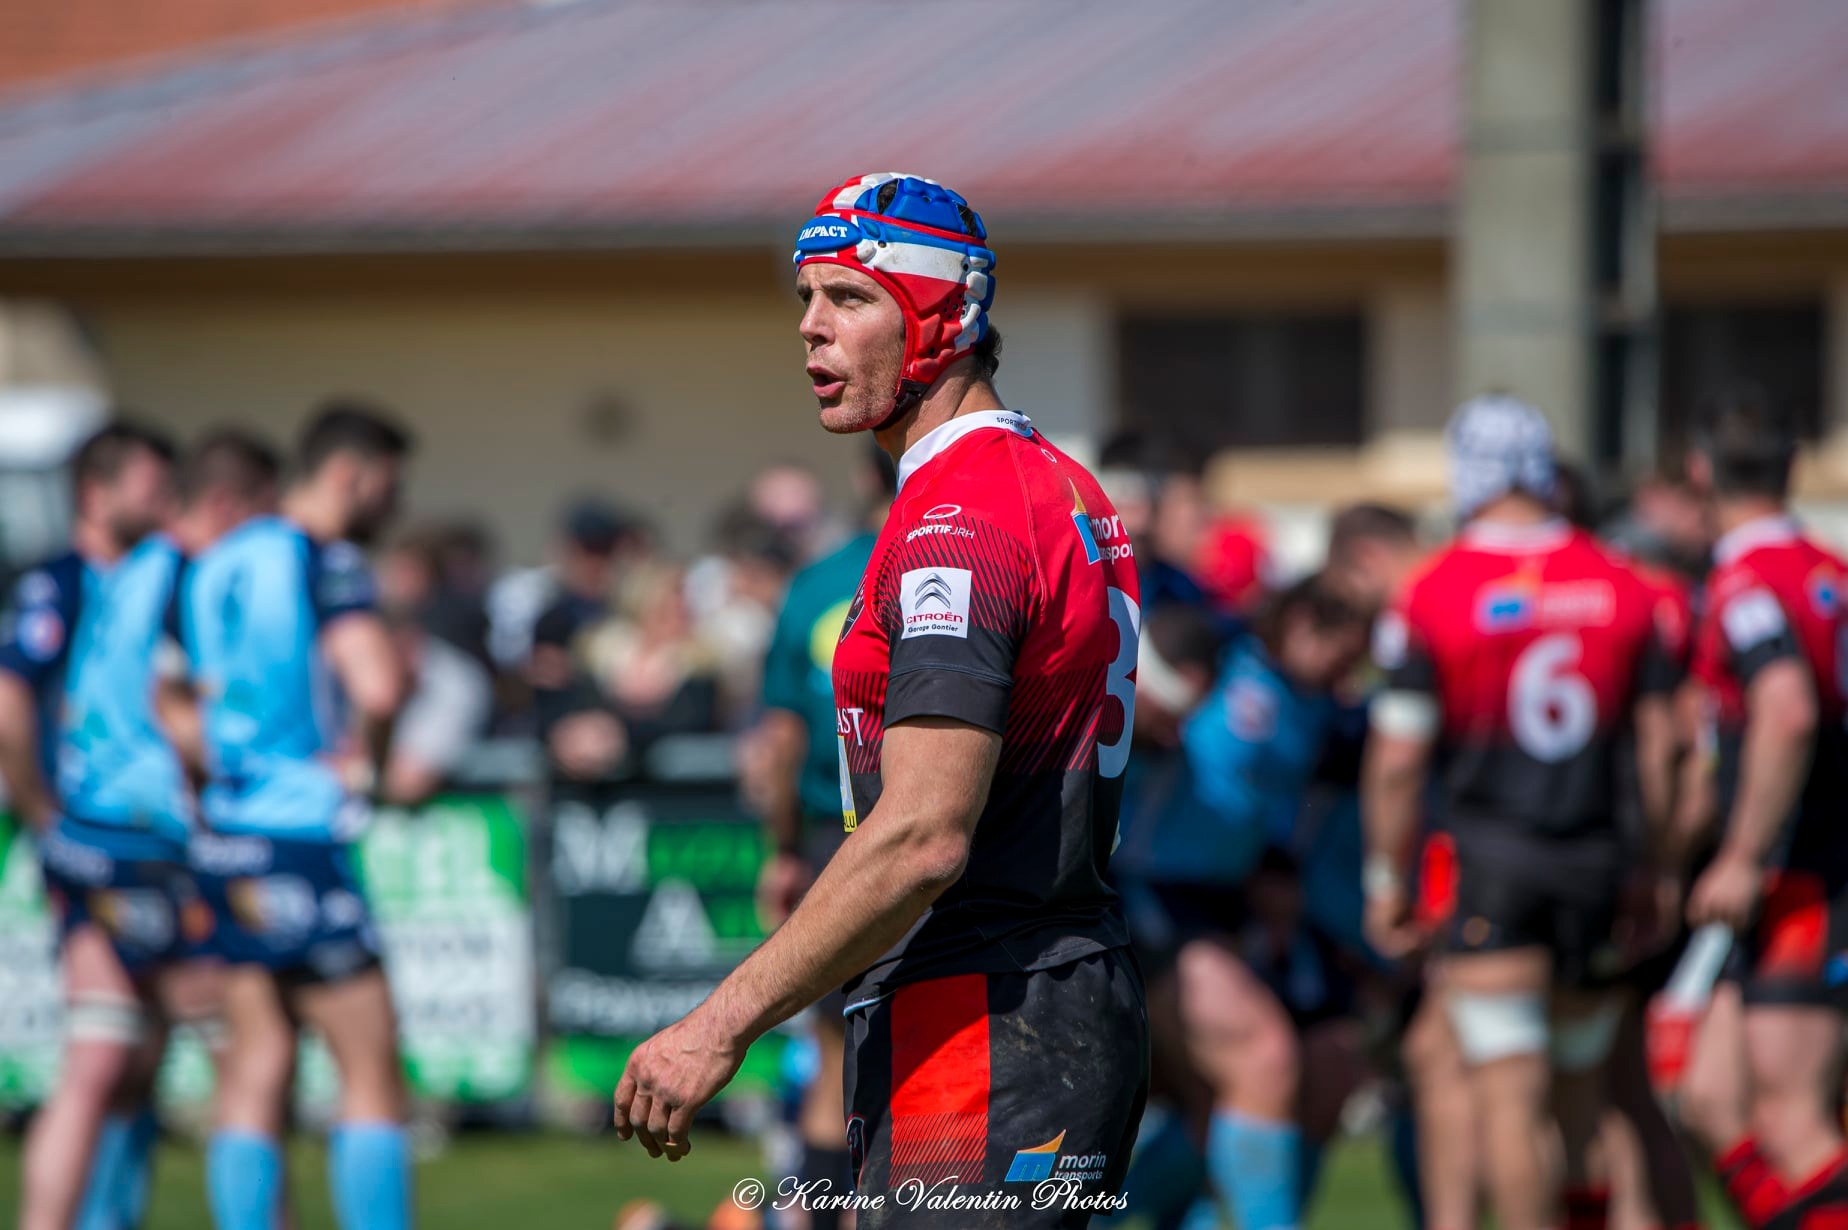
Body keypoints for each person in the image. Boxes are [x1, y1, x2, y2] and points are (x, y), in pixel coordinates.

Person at [613, 173, 1148, 1227]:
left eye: (851, 299)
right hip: (1018, 995)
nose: (812, 330)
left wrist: (716, 1027)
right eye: (805, 300)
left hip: (989, 1009)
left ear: (944, 317)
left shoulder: (965, 514)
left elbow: (921, 837)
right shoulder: (1047, 480)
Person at [1361, 395, 1684, 1230]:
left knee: (1510, 1099)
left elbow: (1398, 764)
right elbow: (1662, 752)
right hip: (1599, 866)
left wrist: (1386, 878)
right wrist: (1653, 867)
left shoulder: (1431, 590)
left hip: (1492, 867)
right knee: (1582, 1101)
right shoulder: (1629, 586)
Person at [167, 402, 414, 1230]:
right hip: (302, 835)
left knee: (254, 1065)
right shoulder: (325, 559)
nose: (393, 505)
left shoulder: (210, 562)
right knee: (369, 1068)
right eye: (389, 486)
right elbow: (376, 685)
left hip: (226, 836)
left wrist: (222, 763)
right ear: (354, 474)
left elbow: (165, 698)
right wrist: (366, 758)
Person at [1111, 576, 1371, 1230]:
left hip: (1243, 906)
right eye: (1345, 645)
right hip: (1156, 895)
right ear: (1305, 620)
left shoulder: (1322, 707)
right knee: (1261, 1056)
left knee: (1300, 1076)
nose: (1352, 664)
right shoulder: (1221, 661)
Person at [1674, 388, 1848, 1229]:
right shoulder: (1830, 573)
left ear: (1700, 473)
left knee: (1791, 1118)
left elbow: (1786, 708)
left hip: (1806, 877)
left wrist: (1741, 854)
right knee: (1710, 1099)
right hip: (1807, 874)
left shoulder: (1745, 579)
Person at [2, 421, 177, 1230]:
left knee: (143, 1058)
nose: (163, 501)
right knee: (102, 1051)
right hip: (94, 841)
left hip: (161, 844)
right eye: (149, 487)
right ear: (95, 493)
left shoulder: (163, 579)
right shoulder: (61, 582)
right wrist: (41, 810)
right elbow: (7, 696)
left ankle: (112, 1217)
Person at [746, 441, 895, 1230]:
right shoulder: (964, 563)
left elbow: (776, 748)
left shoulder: (816, 585)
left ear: (863, 476)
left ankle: (808, 1217)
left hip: (831, 844)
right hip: (928, 841)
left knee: (837, 1056)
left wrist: (784, 853)